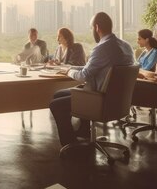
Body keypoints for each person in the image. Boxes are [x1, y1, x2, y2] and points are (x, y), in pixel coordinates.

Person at [49, 12, 135, 147]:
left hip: (99, 99)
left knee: (56, 105)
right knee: (59, 94)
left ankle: (69, 143)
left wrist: (69, 71)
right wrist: (71, 69)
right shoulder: (126, 46)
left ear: (96, 28)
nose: (91, 31)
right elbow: (92, 67)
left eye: (91, 28)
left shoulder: (101, 48)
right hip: (119, 101)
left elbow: (84, 76)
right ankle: (84, 130)